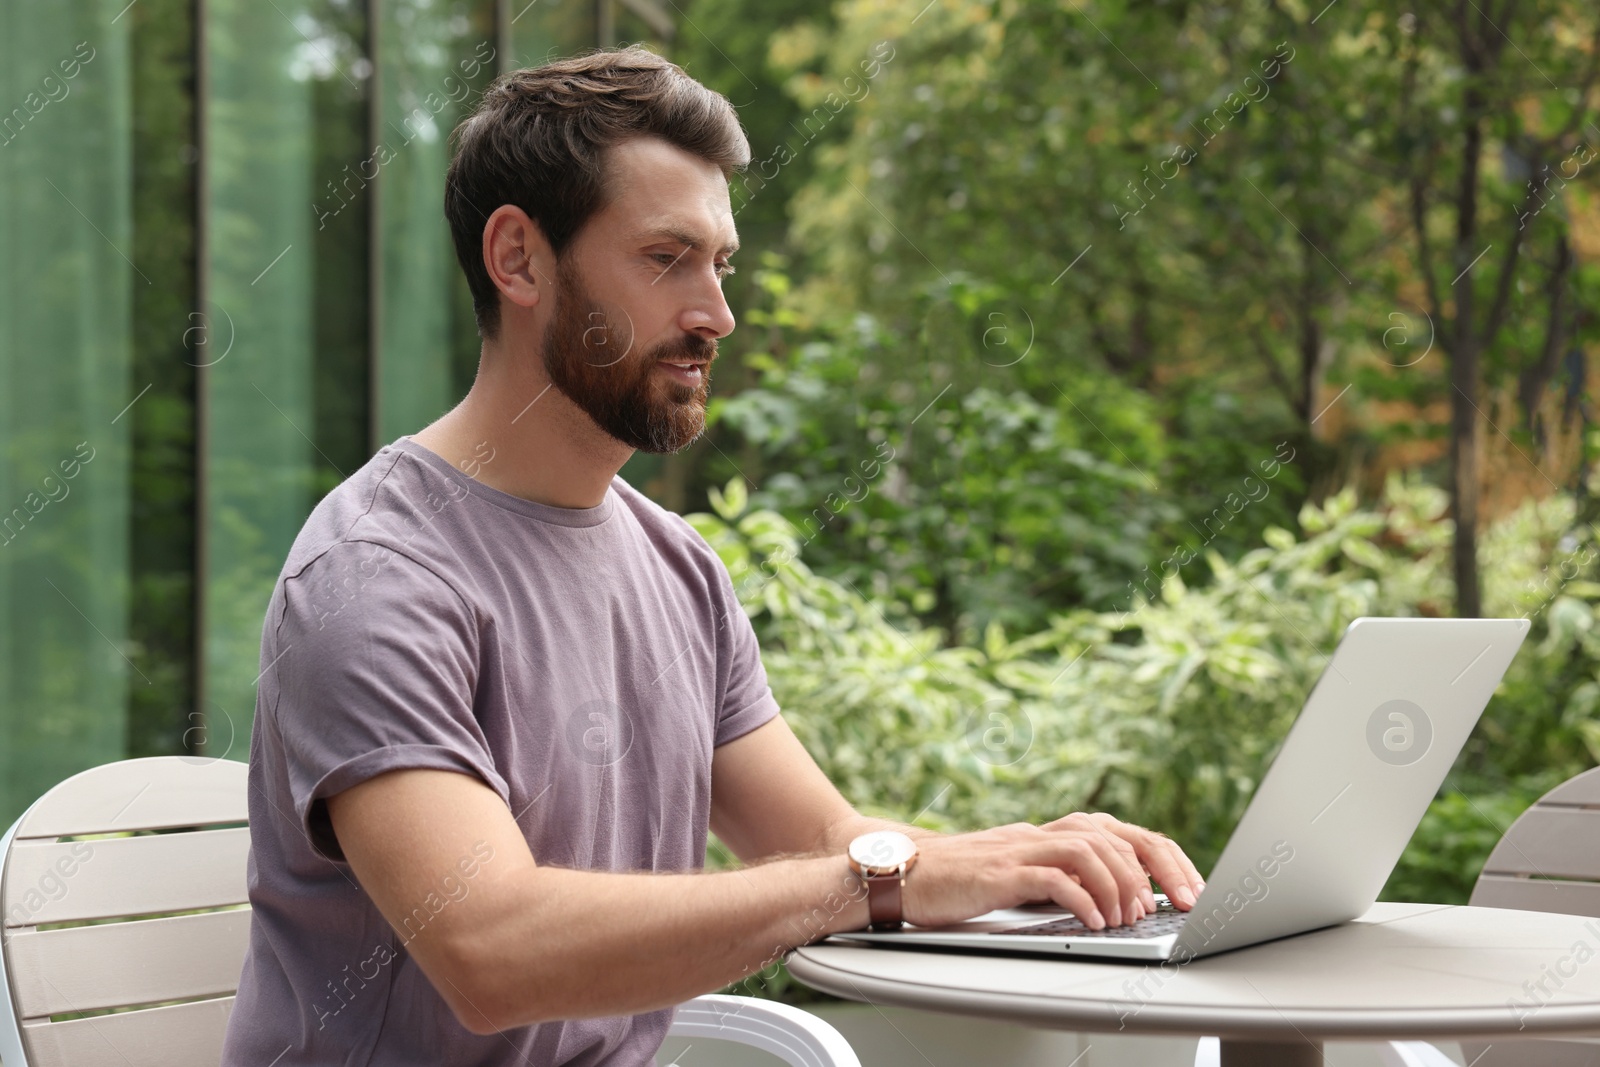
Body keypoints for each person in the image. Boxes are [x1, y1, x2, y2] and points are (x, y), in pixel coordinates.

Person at [221, 44, 1204, 1067]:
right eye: (664, 258)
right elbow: (490, 950)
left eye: (719, 263)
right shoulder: (375, 576)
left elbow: (818, 843)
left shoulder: (676, 566)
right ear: (517, 258)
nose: (715, 316)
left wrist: (1021, 863)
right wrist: (888, 875)